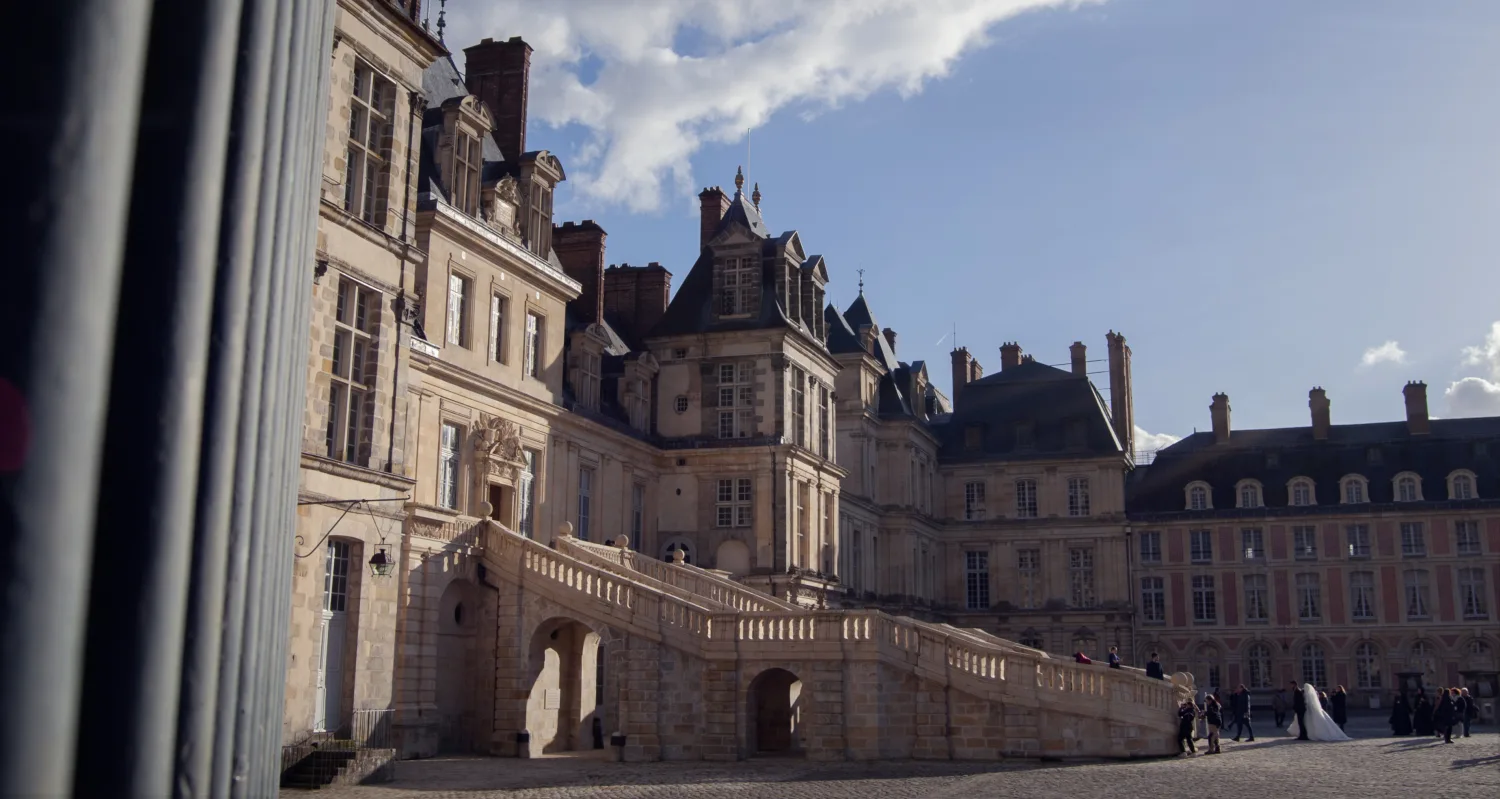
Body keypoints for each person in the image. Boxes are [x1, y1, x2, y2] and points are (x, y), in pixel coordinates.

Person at [1286, 683, 1352, 742]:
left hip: (1308, 711)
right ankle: (1306, 734)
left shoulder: (1305, 696)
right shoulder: (1307, 696)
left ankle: (1307, 734)